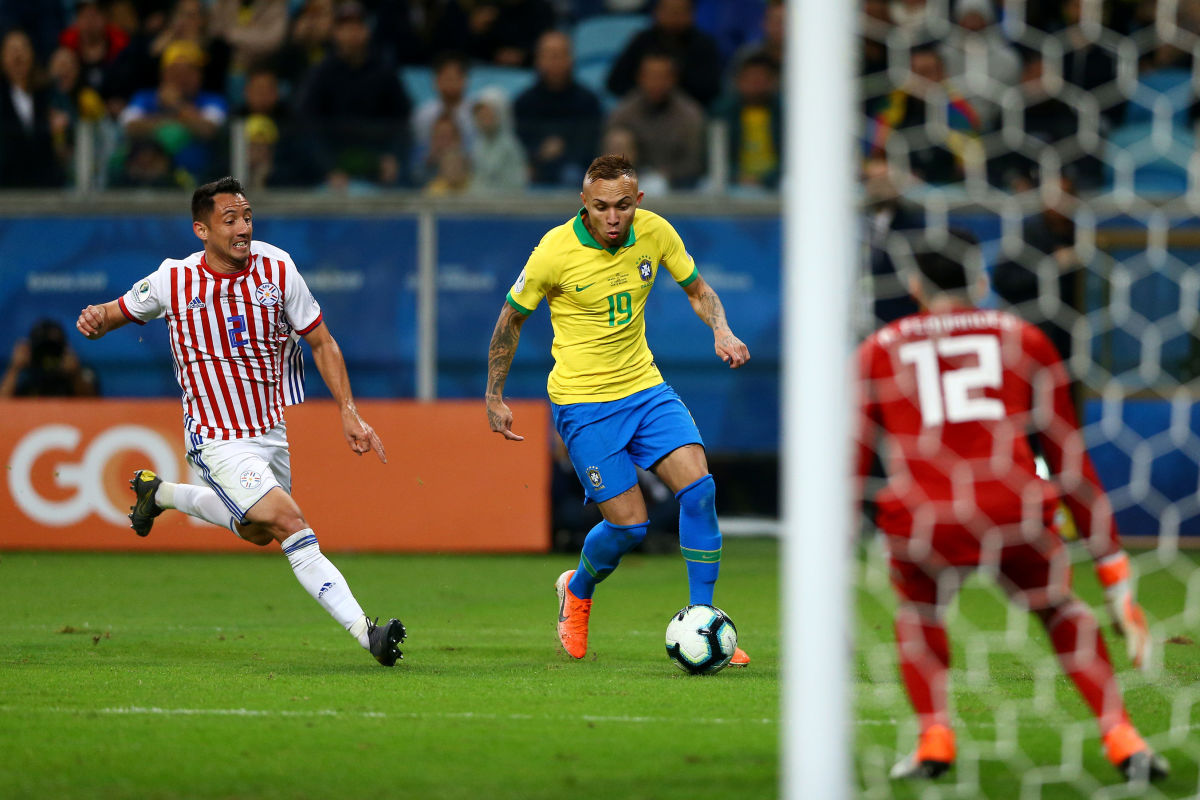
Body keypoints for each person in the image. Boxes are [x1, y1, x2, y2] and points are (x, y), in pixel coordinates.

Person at [854, 232, 1169, 783]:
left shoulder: (880, 348)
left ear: (912, 287)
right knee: (1061, 609)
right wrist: (1115, 577)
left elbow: (852, 461)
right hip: (1013, 510)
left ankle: (935, 737)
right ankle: (1123, 737)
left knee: (919, 612)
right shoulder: (1023, 337)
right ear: (980, 282)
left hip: (926, 517)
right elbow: (1070, 463)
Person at [75, 176, 406, 668]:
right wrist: (96, 317)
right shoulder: (173, 279)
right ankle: (368, 632)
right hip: (216, 437)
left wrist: (348, 410)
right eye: (230, 220)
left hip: (270, 432)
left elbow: (322, 342)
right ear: (201, 230)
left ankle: (159, 494)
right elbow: (118, 310)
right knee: (290, 522)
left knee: (257, 531)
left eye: (247, 216)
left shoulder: (278, 267)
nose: (243, 228)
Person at [484, 154, 752, 666]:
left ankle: (703, 617)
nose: (612, 217)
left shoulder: (655, 233)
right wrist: (495, 395)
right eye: (601, 207)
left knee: (700, 490)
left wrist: (721, 328)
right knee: (630, 526)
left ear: (639, 203)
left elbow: (697, 289)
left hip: (645, 388)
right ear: (583, 203)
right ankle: (577, 589)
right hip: (584, 405)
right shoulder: (553, 252)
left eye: (623, 207)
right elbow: (510, 320)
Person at [513, 30, 603, 188]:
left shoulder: (588, 101)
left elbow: (592, 143)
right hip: (535, 167)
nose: (554, 62)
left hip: (576, 169)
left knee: (573, 174)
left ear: (570, 59)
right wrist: (539, 152)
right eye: (548, 56)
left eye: (559, 55)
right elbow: (516, 143)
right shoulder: (523, 102)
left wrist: (563, 150)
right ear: (538, 60)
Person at [606, 51, 706, 190]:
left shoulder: (690, 114)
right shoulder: (624, 112)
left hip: (679, 184)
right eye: (650, 76)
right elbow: (606, 155)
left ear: (673, 79)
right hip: (633, 183)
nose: (656, 82)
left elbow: (695, 163)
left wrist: (664, 175)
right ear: (640, 78)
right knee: (618, 138)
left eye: (662, 77)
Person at [606, 0, 722, 109]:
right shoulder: (642, 40)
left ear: (691, 14)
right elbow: (615, 83)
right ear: (656, 12)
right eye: (669, 10)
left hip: (687, 112)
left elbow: (711, 88)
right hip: (642, 109)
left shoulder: (703, 44)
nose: (674, 17)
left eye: (679, 11)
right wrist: (649, 89)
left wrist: (670, 87)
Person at [0, 319, 99, 397]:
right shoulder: (25, 375)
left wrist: (75, 375)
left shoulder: (76, 374)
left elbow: (93, 406)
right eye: (43, 348)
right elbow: (3, 408)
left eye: (53, 348)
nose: (48, 354)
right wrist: (15, 368)